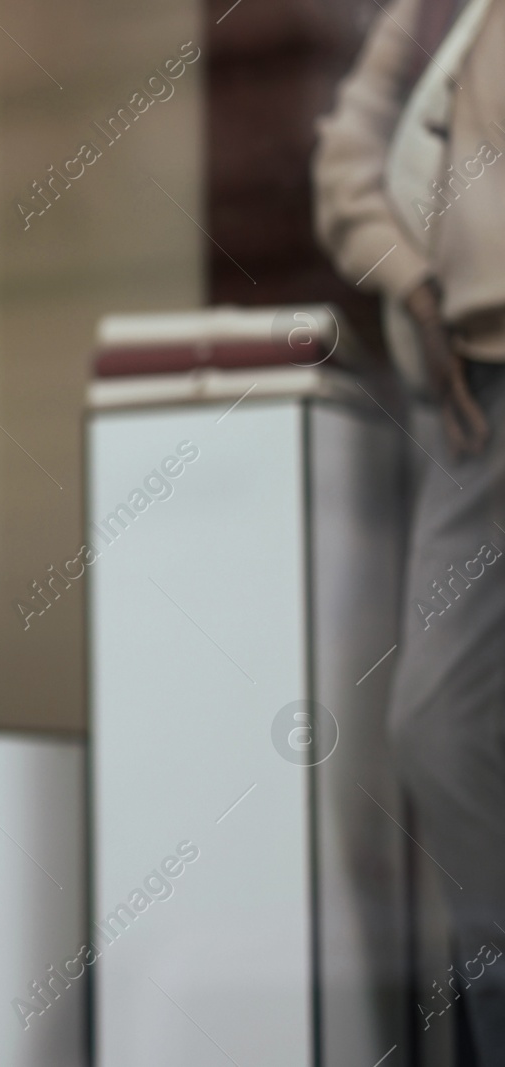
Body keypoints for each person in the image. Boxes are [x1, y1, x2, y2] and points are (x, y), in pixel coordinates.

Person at [314, 0, 505, 1057]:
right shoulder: (437, 15)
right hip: (471, 394)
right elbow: (346, 155)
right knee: (433, 726)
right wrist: (413, 283)